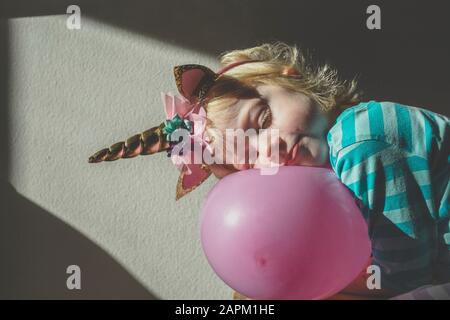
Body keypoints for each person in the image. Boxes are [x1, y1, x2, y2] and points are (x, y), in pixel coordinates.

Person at [89, 42, 449, 299]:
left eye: (261, 122)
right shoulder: (336, 161)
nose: (270, 150)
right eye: (252, 161)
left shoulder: (360, 142)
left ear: (288, 79)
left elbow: (407, 273)